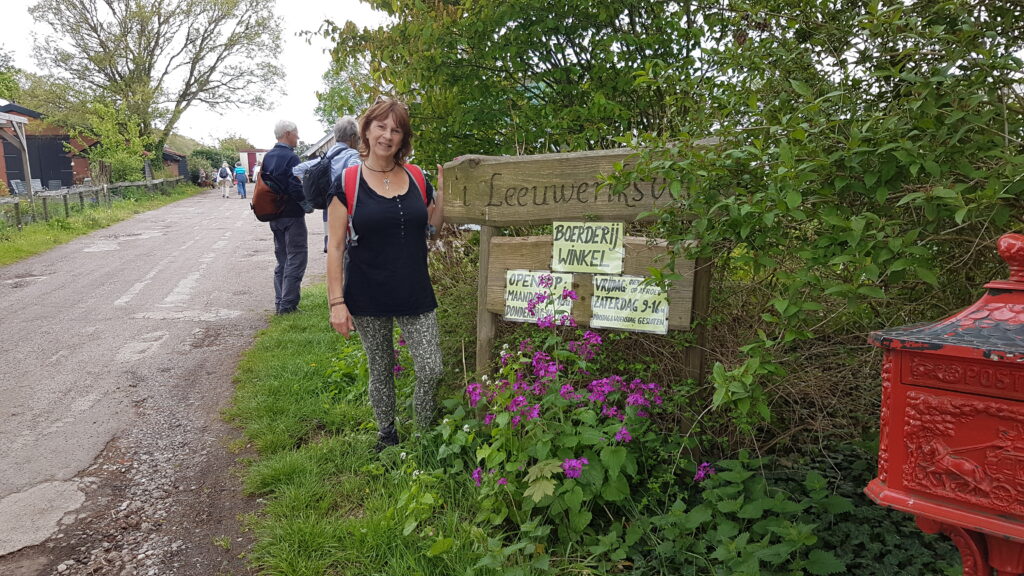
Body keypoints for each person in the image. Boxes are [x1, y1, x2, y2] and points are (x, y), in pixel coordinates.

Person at [326, 99, 445, 451]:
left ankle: (422, 435)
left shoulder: (417, 176)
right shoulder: (347, 180)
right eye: (380, 127)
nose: (387, 135)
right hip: (368, 291)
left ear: (403, 137)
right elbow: (334, 247)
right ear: (366, 130)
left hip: (414, 289)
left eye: (395, 129)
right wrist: (337, 303)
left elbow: (431, 230)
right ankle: (387, 435)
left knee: (431, 368)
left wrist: (445, 198)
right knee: (381, 368)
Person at [293, 116, 361, 253]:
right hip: (346, 209)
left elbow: (297, 170)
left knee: (333, 247)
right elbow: (356, 176)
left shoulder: (326, 156)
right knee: (347, 250)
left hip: (328, 206)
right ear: (353, 137)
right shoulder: (352, 155)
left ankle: (328, 242)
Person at [262, 120, 309, 314]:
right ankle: (288, 306)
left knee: (282, 259)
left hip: (274, 215)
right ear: (288, 133)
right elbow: (295, 186)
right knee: (296, 257)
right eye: (296, 133)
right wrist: (307, 204)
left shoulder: (268, 157)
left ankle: (280, 301)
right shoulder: (291, 158)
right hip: (292, 214)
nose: (298, 137)